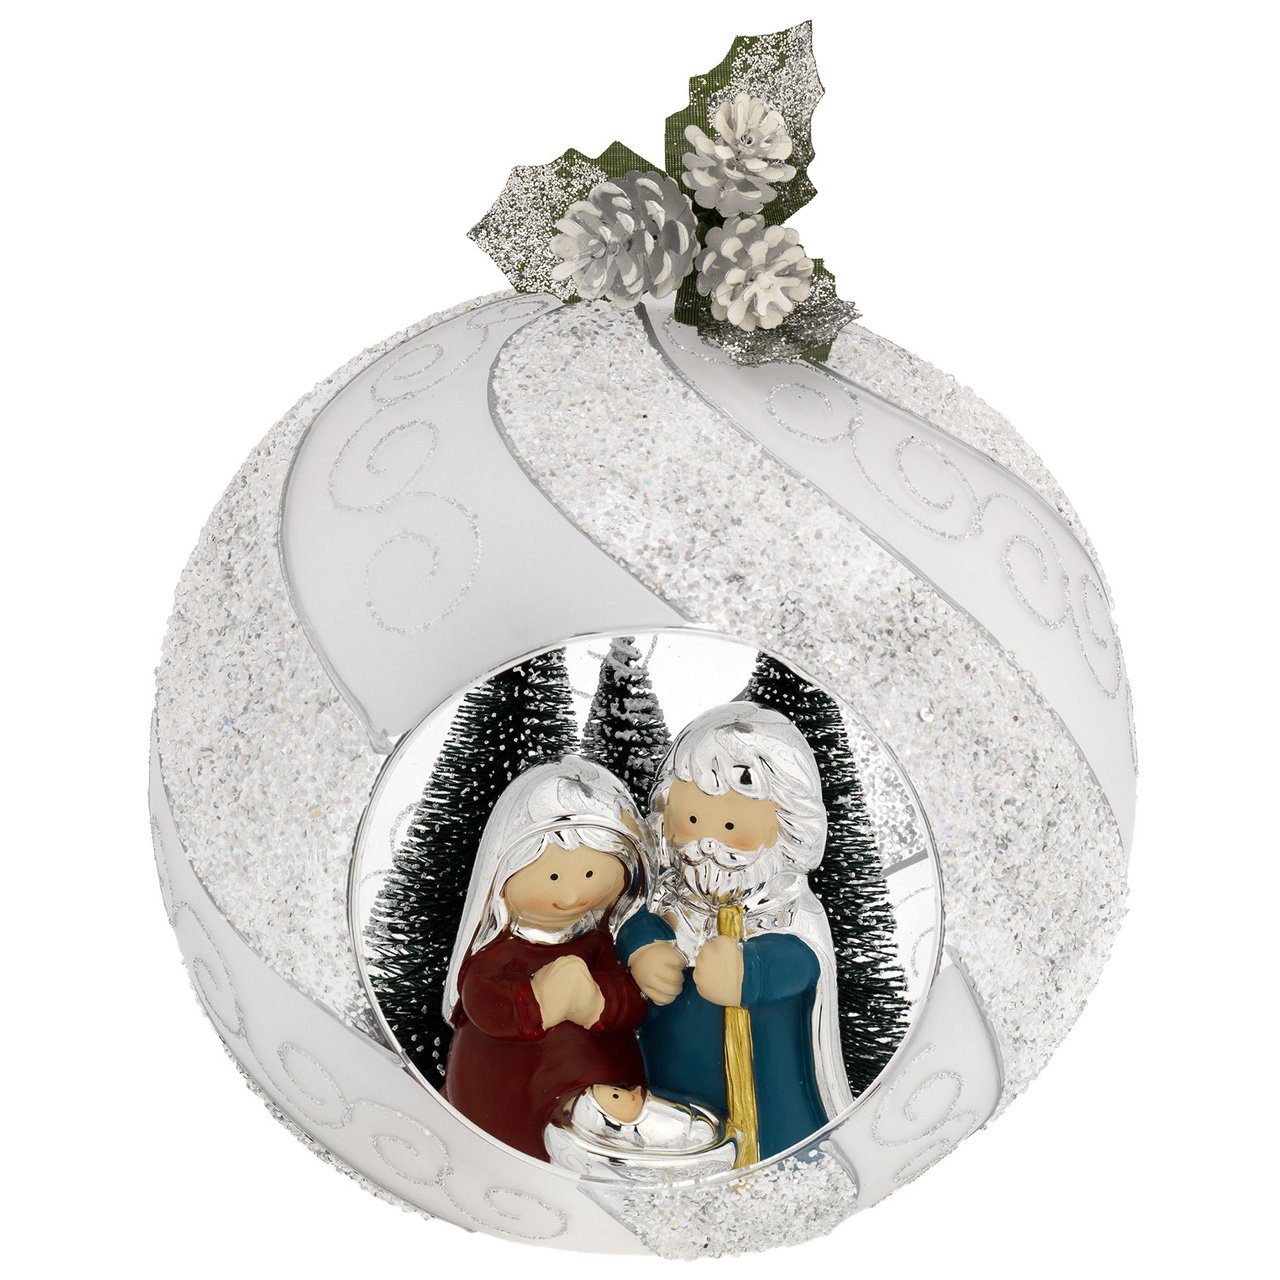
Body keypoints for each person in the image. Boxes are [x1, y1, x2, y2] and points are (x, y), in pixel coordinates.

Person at [616, 702, 854, 1160]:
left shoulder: (788, 908)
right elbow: (636, 923)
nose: (708, 843)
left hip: (769, 1101)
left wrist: (753, 972)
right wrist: (643, 949)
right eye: (691, 822)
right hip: (673, 1094)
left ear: (787, 825)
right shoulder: (670, 898)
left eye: (730, 826)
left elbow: (806, 962)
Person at [442, 756, 650, 1161]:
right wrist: (538, 1002)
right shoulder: (499, 952)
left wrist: (598, 1001)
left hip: (605, 1084)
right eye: (553, 877)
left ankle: (610, 1132)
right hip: (507, 1098)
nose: (571, 896)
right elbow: (482, 1002)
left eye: (590, 876)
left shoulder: (599, 945)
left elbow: (632, 1003)